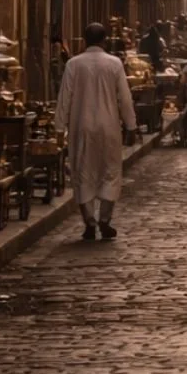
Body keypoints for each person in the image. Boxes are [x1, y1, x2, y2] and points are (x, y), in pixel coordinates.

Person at [55, 22, 138, 240]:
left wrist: (58, 127)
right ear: (104, 40)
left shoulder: (74, 64)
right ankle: (104, 220)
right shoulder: (114, 63)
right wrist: (131, 125)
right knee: (110, 171)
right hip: (109, 125)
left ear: (84, 40)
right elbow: (124, 97)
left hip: (81, 124)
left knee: (83, 170)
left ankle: (89, 222)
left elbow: (64, 97)